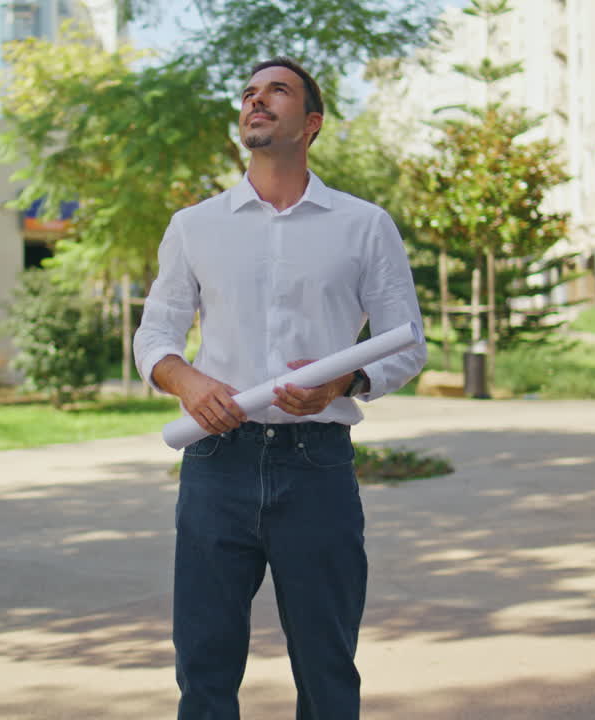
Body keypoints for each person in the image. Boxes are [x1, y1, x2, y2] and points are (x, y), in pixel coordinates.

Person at [133, 57, 427, 719]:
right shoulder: (194, 226)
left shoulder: (363, 225)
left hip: (316, 469)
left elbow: (407, 341)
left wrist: (343, 381)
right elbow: (155, 335)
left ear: (312, 123)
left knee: (327, 671)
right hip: (217, 463)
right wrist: (186, 380)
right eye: (248, 93)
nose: (256, 100)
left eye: (277, 91)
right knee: (204, 670)